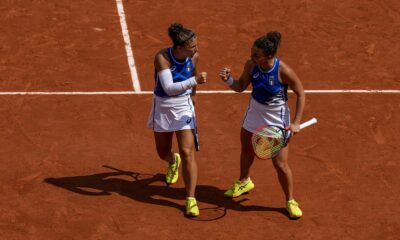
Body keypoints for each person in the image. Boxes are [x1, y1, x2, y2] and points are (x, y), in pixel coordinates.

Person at [219, 31, 305, 218]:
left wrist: (296, 123)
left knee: (280, 163)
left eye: (256, 55)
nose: (252, 57)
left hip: (277, 119)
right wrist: (229, 80)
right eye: (252, 52)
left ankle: (290, 200)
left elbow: (301, 93)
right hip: (255, 113)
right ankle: (244, 181)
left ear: (269, 56)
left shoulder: (284, 71)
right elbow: (241, 86)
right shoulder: (251, 65)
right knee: (246, 150)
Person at [147, 23, 207, 217]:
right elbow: (169, 88)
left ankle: (190, 198)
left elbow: (192, 73)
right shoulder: (162, 58)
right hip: (163, 106)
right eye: (193, 46)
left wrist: (194, 95)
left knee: (187, 151)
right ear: (179, 47)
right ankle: (172, 161)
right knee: (162, 151)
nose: (196, 49)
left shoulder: (194, 56)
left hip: (183, 107)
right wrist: (194, 82)